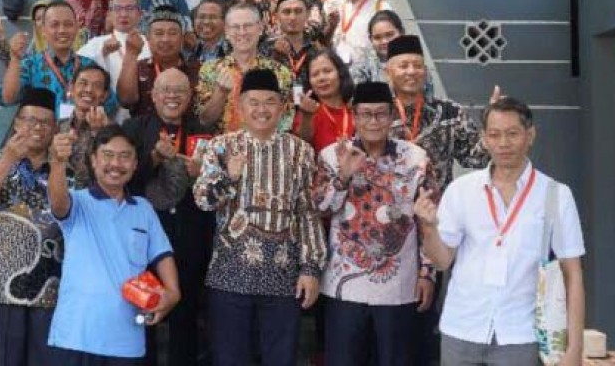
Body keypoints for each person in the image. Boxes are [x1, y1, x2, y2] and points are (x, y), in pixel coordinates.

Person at [415, 97, 585, 366]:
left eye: (512, 134)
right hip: (462, 330)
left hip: (520, 335)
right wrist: (429, 227)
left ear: (530, 135)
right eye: (494, 135)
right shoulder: (462, 190)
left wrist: (574, 348)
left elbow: (572, 274)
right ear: (484, 139)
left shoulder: (555, 195)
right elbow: (442, 260)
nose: (503, 143)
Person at [193, 68, 327, 366]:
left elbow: (308, 213)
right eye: (253, 102)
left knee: (280, 358)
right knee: (229, 359)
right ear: (240, 107)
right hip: (230, 275)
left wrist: (310, 269)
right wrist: (229, 177)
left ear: (282, 107)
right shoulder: (221, 146)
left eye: (269, 102)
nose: (262, 110)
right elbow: (203, 201)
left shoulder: (301, 151)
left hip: (283, 276)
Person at [312, 81, 439, 366]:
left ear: (392, 116)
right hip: (344, 285)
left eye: (381, 113)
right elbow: (320, 208)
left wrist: (427, 273)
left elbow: (429, 219)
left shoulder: (416, 158)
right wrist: (343, 176)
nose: (373, 121)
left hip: (399, 285)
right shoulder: (333, 155)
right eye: (366, 114)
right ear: (354, 116)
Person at [47, 125, 181, 363]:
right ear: (93, 161)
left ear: (135, 164)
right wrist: (58, 163)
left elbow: (162, 254)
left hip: (127, 341)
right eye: (108, 155)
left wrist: (172, 293)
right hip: (75, 336)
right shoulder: (78, 202)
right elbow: (58, 203)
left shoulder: (144, 209)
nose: (116, 164)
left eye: (125, 156)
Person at [123, 68, 216, 366]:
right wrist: (154, 158)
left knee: (185, 313)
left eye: (180, 91)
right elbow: (124, 180)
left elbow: (220, 184)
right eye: (166, 90)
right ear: (153, 95)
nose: (172, 96)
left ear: (190, 97)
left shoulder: (205, 130)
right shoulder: (135, 129)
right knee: (143, 308)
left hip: (190, 233)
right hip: (145, 236)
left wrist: (203, 172)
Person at [0, 87, 64, 366]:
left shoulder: (64, 168)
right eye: (30, 120)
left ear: (54, 128)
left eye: (45, 122)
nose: (38, 128)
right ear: (17, 123)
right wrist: (8, 160)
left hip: (52, 290)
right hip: (3, 290)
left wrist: (59, 163)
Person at [384, 35, 491, 194]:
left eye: (418, 66)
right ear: (388, 73)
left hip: (439, 205)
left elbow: (477, 159)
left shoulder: (449, 112)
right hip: (388, 205)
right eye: (403, 66)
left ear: (425, 72)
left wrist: (493, 127)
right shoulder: (376, 114)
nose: (411, 71)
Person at [0, 0, 118, 118]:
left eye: (68, 24)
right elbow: (7, 99)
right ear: (43, 30)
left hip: (79, 130)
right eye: (55, 25)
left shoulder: (89, 65)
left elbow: (111, 104)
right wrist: (15, 59)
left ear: (77, 27)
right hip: (42, 130)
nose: (62, 30)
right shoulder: (30, 65)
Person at [196, 3, 294, 133]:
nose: (242, 32)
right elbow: (204, 120)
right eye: (236, 27)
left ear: (260, 28)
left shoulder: (280, 73)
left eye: (248, 26)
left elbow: (286, 124)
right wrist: (220, 93)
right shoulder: (210, 69)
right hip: (223, 144)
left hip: (267, 144)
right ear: (227, 31)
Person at [117, 6, 198, 119]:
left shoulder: (197, 70)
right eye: (159, 33)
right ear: (148, 38)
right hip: (144, 129)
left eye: (172, 33)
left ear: (182, 39)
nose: (165, 39)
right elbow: (126, 101)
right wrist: (131, 54)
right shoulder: (139, 67)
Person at [77, 0, 151, 103]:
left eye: (130, 8)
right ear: (109, 14)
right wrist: (103, 53)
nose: (123, 14)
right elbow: (76, 73)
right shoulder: (95, 44)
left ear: (140, 14)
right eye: (117, 9)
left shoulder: (150, 44)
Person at [55, 65, 112, 190]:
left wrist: (98, 134)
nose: (89, 90)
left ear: (104, 95)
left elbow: (110, 173)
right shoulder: (58, 127)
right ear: (71, 88)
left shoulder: (112, 131)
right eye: (83, 83)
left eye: (97, 86)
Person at [294, 48, 355, 152]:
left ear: (340, 73)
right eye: (315, 74)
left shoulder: (356, 109)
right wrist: (307, 118)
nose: (321, 78)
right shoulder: (307, 113)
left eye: (327, 71)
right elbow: (301, 146)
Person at [261, 0, 320, 87]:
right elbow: (261, 84)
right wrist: (276, 57)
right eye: (286, 12)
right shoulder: (266, 48)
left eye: (298, 11)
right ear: (277, 16)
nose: (292, 17)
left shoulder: (316, 49)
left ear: (307, 14)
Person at [186, 0, 228, 65]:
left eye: (213, 17)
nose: (206, 22)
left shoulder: (235, 50)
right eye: (201, 17)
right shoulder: (188, 52)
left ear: (225, 22)